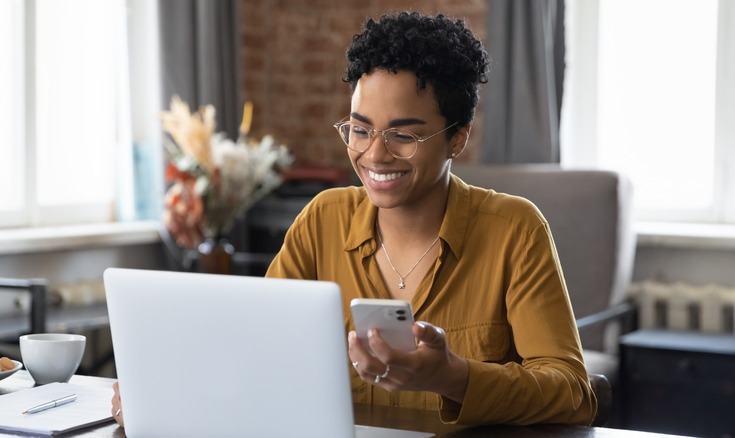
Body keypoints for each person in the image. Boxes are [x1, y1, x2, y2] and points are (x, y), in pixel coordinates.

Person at [112, 11, 596, 427]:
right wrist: (166, 391)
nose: (374, 154)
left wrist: (454, 376)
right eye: (359, 129)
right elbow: (253, 349)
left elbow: (574, 393)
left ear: (457, 138)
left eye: (403, 136)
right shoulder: (323, 219)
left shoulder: (514, 229)